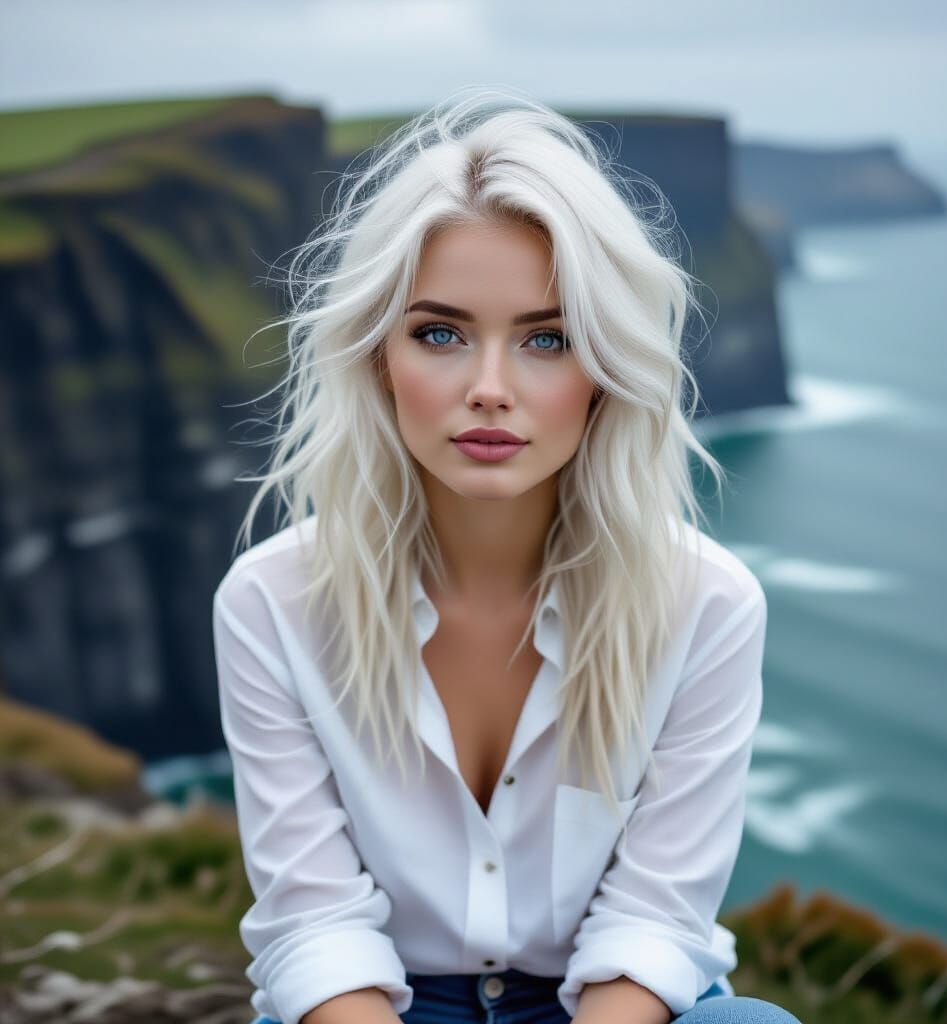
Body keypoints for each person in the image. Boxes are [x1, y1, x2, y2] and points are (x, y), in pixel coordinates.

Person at [212, 85, 800, 1024]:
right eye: (440, 333)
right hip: (379, 1003)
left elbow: (654, 921)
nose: (490, 388)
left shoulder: (707, 603)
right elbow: (314, 924)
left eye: (547, 339)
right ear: (377, 358)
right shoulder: (274, 599)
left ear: (606, 374)